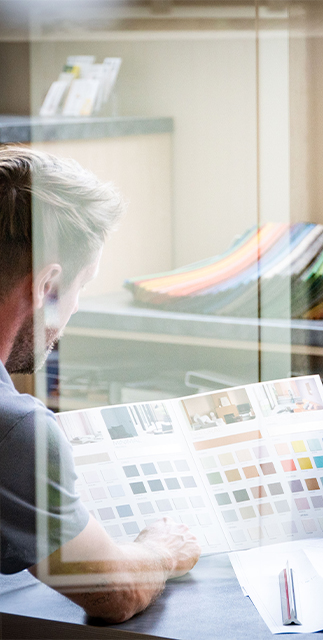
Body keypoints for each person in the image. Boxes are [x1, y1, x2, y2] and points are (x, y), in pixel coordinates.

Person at [0, 146, 201, 622]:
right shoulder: (14, 429)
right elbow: (115, 592)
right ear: (47, 286)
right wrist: (162, 549)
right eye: (81, 285)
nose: (73, 310)